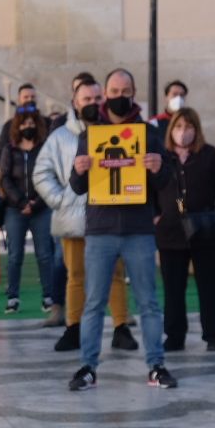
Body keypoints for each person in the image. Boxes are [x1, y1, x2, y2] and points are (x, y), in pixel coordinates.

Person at [67, 68, 174, 391]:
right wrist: (78, 170)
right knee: (94, 302)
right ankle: (88, 366)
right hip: (100, 229)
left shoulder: (148, 133)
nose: (119, 96)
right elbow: (76, 186)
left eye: (125, 90)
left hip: (139, 228)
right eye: (114, 91)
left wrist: (158, 167)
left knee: (148, 302)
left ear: (134, 92)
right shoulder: (90, 135)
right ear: (106, 95)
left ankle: (156, 365)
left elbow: (165, 179)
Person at [36, 76, 134, 354]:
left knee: (115, 274)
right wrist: (61, 199)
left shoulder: (115, 131)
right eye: (86, 100)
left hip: (110, 217)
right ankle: (73, 328)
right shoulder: (60, 136)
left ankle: (120, 327)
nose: (92, 104)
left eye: (96, 99)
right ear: (75, 103)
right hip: (74, 219)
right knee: (76, 275)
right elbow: (41, 172)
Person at [156, 108, 215, 352]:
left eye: (188, 127)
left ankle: (212, 334)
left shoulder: (210, 155)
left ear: (196, 129)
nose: (183, 132)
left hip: (206, 232)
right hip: (171, 232)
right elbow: (149, 189)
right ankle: (175, 335)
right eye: (179, 127)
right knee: (173, 287)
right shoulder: (162, 158)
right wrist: (155, 215)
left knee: (209, 286)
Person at [0, 100, 60, 320]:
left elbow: (50, 175)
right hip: (15, 210)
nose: (28, 126)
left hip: (41, 208)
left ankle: (49, 296)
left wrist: (36, 202)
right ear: (17, 126)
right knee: (15, 255)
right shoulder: (9, 149)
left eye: (32, 122)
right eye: (24, 124)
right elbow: (4, 178)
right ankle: (12, 297)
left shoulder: (45, 148)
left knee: (45, 254)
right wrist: (21, 203)